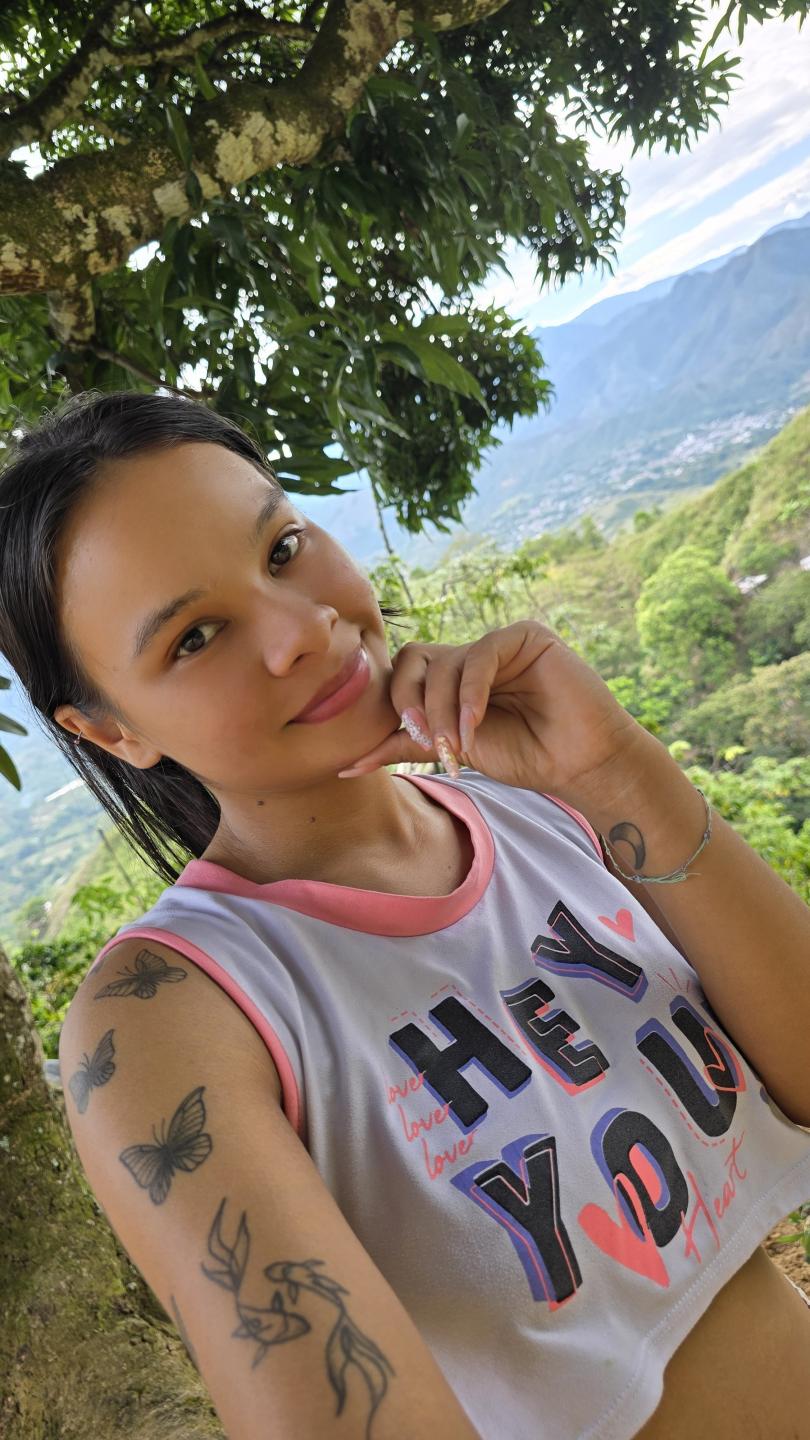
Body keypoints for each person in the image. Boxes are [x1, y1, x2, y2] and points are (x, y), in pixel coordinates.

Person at [1, 388, 809, 1440]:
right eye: (196, 637)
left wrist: (617, 769)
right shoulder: (173, 1018)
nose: (303, 630)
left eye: (284, 550)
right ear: (111, 730)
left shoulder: (537, 807)